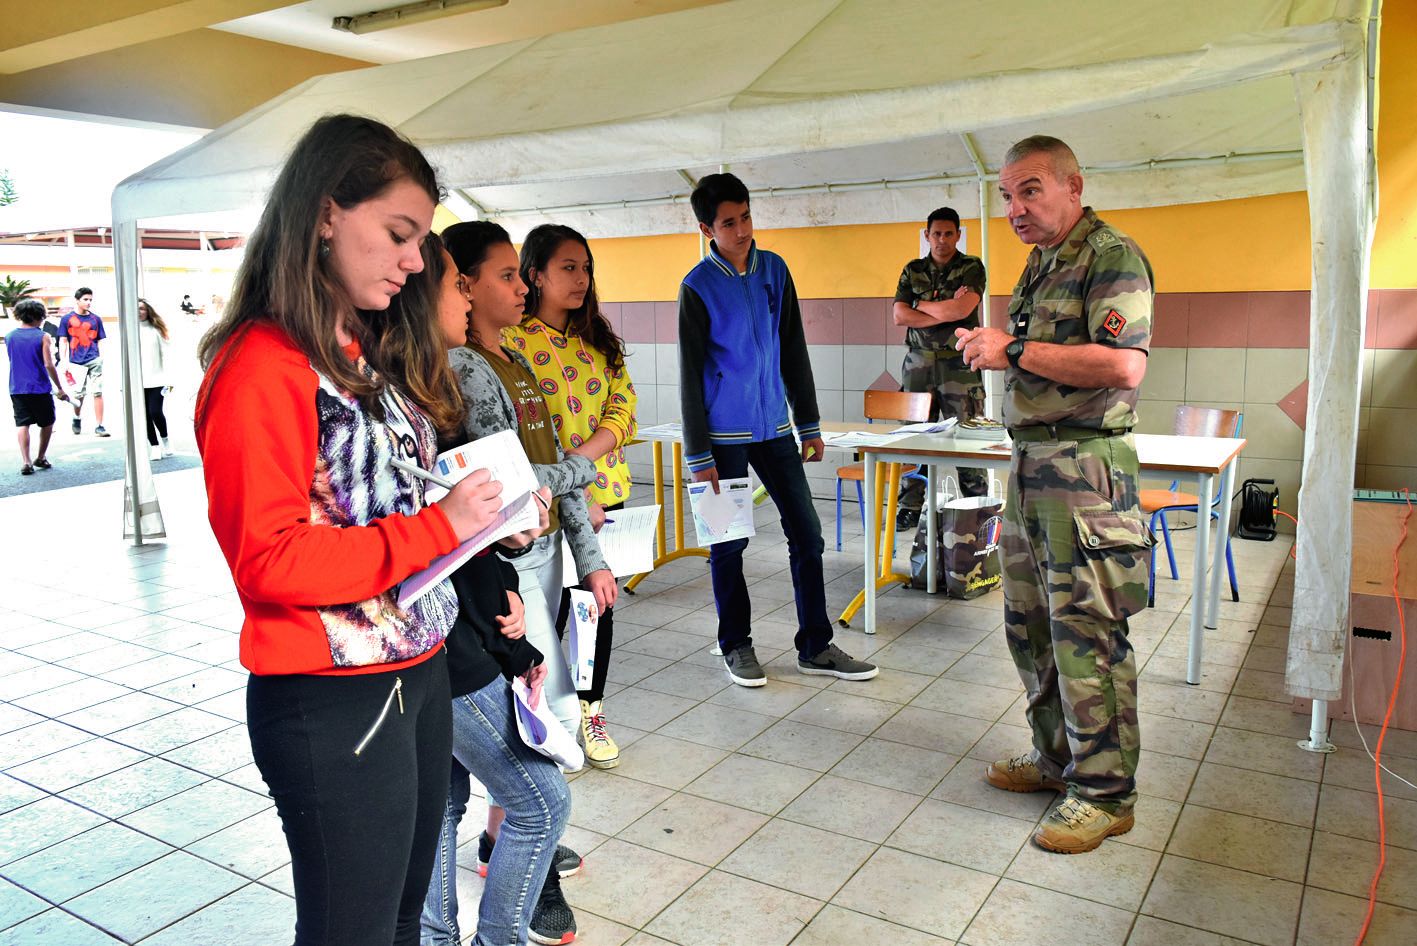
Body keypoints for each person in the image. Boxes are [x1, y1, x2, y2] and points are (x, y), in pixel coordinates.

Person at [194, 113, 515, 946]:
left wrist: (483, 521)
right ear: (325, 213)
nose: (414, 261)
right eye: (400, 234)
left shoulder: (350, 349)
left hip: (413, 667)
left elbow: (381, 503)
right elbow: (268, 559)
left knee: (402, 922)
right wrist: (437, 527)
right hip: (333, 696)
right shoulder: (259, 366)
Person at [954, 135, 1153, 854]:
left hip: (1084, 471)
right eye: (1007, 195)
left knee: (1086, 634)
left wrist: (1011, 349)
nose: (1015, 208)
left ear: (1074, 185)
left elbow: (1123, 366)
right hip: (1031, 465)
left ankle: (1105, 794)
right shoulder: (1041, 263)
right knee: (1030, 626)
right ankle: (1056, 758)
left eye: (1030, 190)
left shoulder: (1111, 256)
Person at [435, 222, 606, 945]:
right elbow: (506, 489)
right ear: (464, 288)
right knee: (540, 721)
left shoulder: (517, 362)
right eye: (506, 275)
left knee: (535, 713)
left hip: (537, 554)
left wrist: (590, 555)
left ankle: (505, 846)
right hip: (508, 564)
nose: (523, 286)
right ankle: (530, 880)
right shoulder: (464, 367)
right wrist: (588, 463)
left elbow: (543, 467)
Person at [678, 172, 878, 688]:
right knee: (728, 544)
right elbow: (689, 374)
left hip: (774, 430)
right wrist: (698, 455)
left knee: (807, 535)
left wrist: (807, 423)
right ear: (707, 229)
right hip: (720, 440)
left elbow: (792, 347)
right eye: (729, 223)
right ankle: (735, 644)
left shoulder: (775, 269)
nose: (743, 230)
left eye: (746, 217)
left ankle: (815, 645)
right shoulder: (696, 287)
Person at [508, 223, 636, 767]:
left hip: (606, 491)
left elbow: (623, 408)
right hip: (546, 506)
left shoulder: (598, 340)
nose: (581, 278)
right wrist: (571, 485)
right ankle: (542, 718)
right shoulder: (513, 343)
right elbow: (522, 434)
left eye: (585, 268)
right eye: (568, 267)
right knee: (547, 615)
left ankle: (591, 710)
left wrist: (585, 462)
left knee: (596, 610)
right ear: (535, 274)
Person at [891, 206, 990, 529]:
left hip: (959, 364)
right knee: (914, 436)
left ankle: (977, 508)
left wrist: (920, 304)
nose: (942, 240)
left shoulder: (970, 267)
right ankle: (909, 506)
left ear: (958, 235)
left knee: (968, 435)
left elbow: (961, 310)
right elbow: (899, 316)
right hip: (918, 364)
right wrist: (943, 309)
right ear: (927, 235)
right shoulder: (913, 269)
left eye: (949, 233)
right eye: (937, 233)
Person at [7, 298, 67, 475]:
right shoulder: (43, 336)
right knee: (47, 422)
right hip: (39, 387)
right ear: (37, 316)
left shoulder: (10, 336)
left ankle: (26, 461)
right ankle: (40, 457)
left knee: (22, 423)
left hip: (17, 387)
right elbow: (48, 364)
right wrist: (60, 387)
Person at [57, 286, 108, 437]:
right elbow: (63, 341)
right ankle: (76, 417)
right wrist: (64, 361)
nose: (88, 302)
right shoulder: (67, 319)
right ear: (77, 300)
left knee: (97, 392)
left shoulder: (95, 319)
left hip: (94, 359)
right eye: (85, 299)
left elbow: (100, 339)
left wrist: (101, 357)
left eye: (90, 299)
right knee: (79, 394)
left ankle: (99, 425)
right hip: (76, 362)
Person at [137, 299, 174, 459]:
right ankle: (154, 446)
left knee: (155, 412)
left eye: (142, 309)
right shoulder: (130, 332)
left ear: (148, 311)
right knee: (144, 416)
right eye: (136, 309)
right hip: (138, 382)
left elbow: (167, 354)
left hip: (158, 380)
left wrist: (170, 380)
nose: (139, 312)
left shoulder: (156, 330)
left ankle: (165, 439)